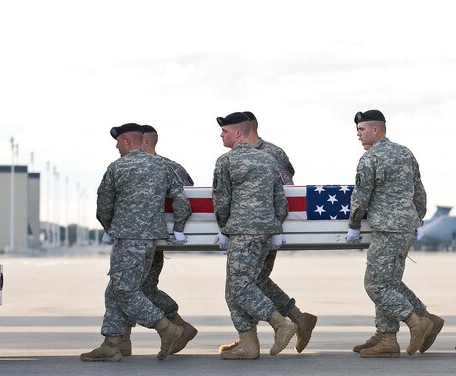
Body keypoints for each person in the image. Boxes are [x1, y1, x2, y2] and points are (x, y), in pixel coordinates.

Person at [81, 123, 194, 362]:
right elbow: (182, 199)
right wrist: (179, 228)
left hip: (128, 237)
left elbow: (104, 204)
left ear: (127, 141)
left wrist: (108, 227)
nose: (116, 146)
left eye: (119, 141)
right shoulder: (164, 165)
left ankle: (167, 329)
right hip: (152, 239)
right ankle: (112, 343)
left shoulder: (117, 167)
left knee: (124, 289)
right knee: (115, 289)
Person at [346, 109, 442, 358]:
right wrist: (417, 219)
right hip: (405, 227)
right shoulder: (405, 153)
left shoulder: (371, 158)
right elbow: (419, 191)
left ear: (376, 130)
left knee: (375, 285)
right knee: (390, 283)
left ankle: (416, 321)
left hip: (387, 228)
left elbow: (361, 196)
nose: (358, 134)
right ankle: (387, 336)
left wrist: (354, 224)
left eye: (361, 129)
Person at [213, 112, 298, 359]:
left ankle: (281, 323)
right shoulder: (268, 160)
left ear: (238, 133)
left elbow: (222, 200)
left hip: (243, 230)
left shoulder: (226, 161)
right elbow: (280, 199)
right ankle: (248, 343)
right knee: (234, 289)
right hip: (265, 232)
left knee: (239, 285)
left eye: (225, 131)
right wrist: (275, 226)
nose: (221, 135)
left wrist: (224, 228)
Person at [236, 111, 318, 354]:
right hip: (248, 228)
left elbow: (287, 191)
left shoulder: (271, 153)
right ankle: (299, 318)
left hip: (265, 228)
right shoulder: (237, 155)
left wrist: (277, 227)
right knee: (254, 280)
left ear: (245, 130)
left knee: (247, 281)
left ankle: (281, 325)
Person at [115, 124, 198, 356]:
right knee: (142, 287)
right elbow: (189, 195)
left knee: (125, 287)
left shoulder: (126, 167)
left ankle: (171, 327)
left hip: (136, 238)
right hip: (158, 239)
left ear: (145, 142)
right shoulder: (173, 168)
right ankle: (174, 325)